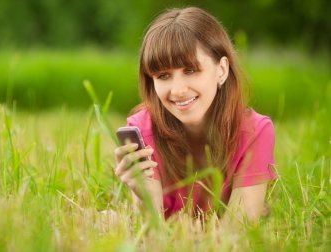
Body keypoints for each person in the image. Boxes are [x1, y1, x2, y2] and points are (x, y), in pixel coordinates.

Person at [114, 7, 277, 223]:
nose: (178, 90)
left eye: (190, 71)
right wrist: (147, 199)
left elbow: (236, 236)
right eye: (163, 76)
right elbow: (150, 235)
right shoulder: (144, 131)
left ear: (222, 70)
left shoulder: (255, 133)